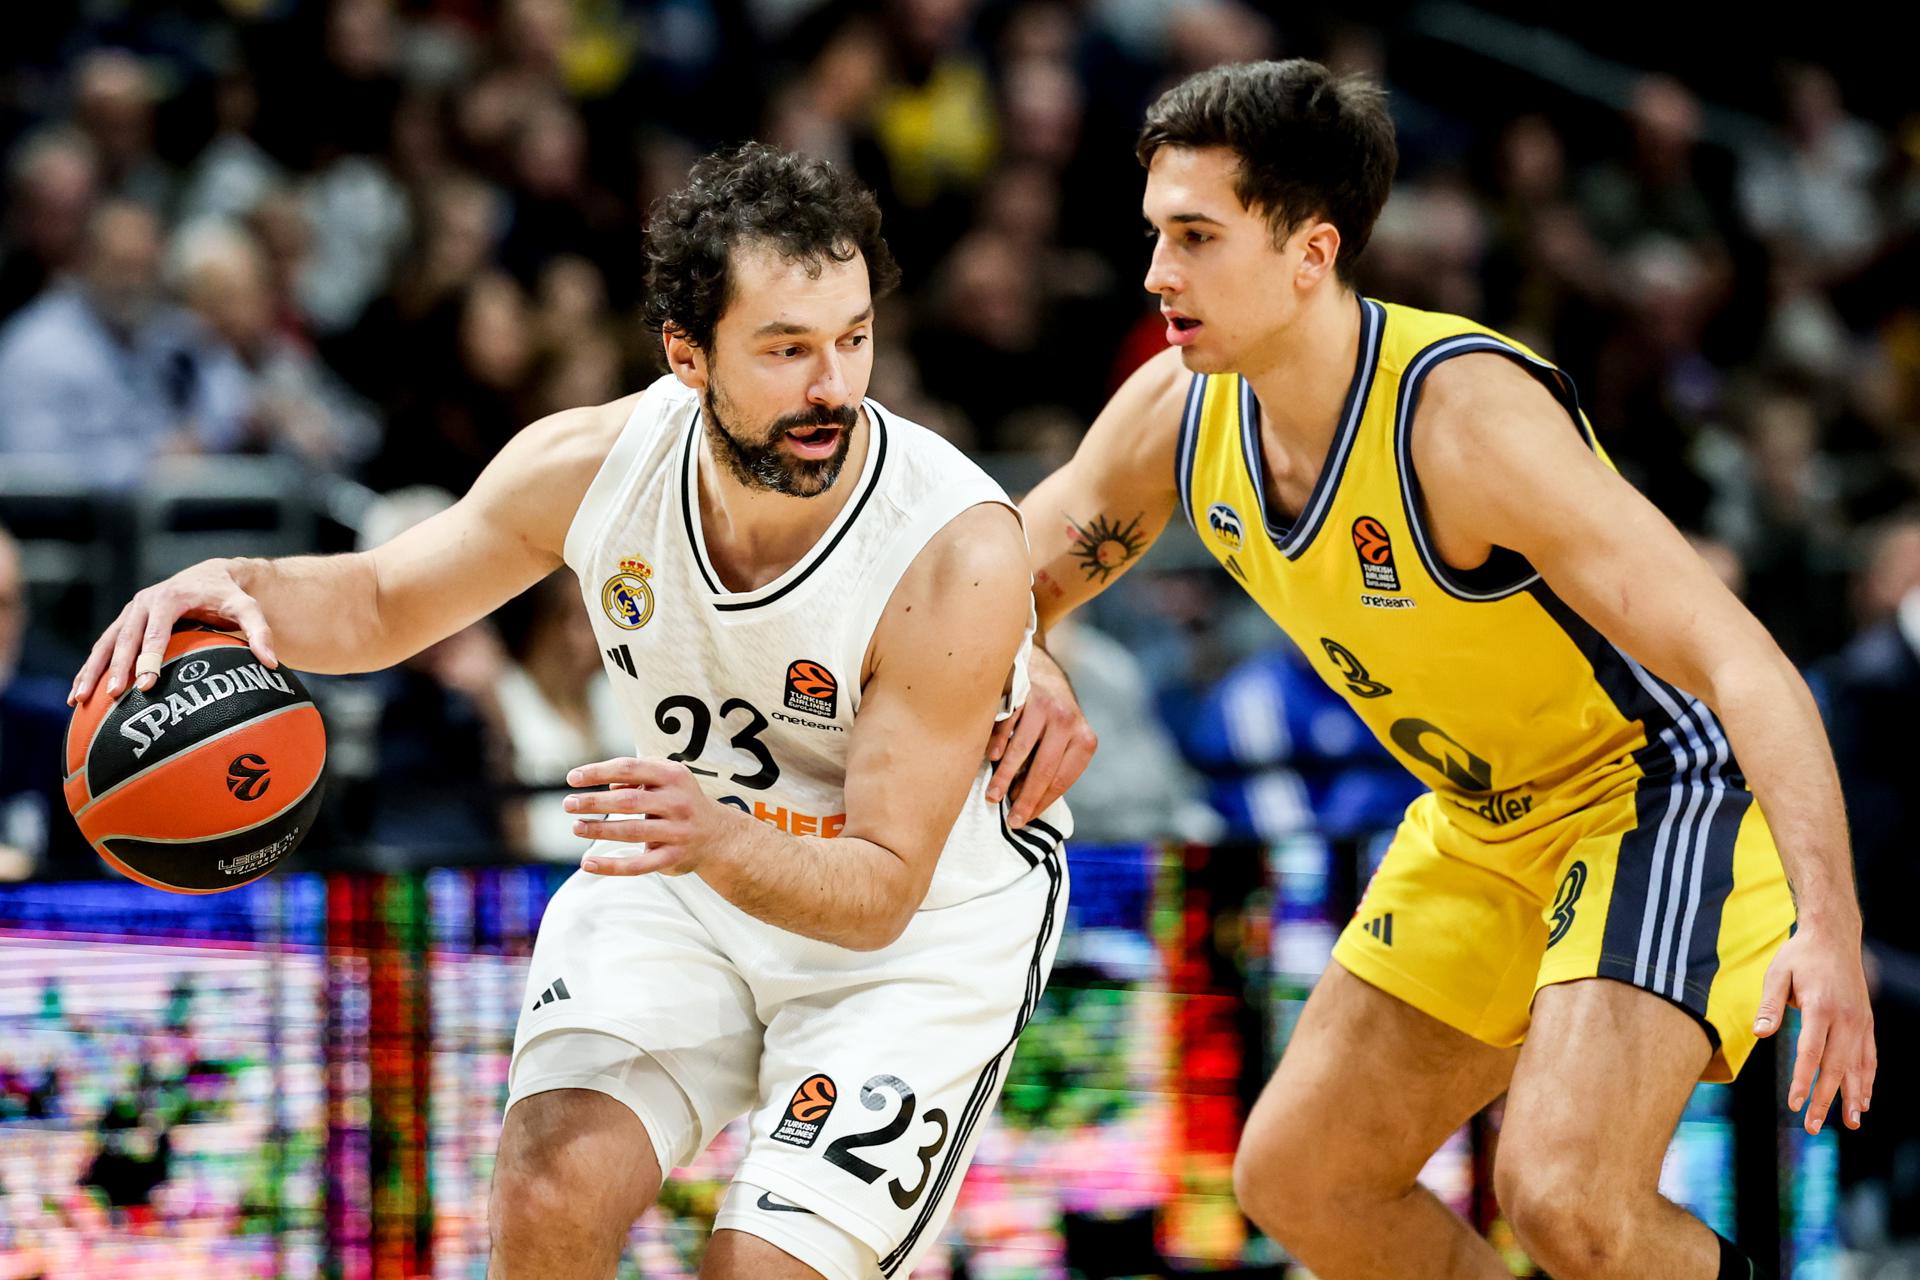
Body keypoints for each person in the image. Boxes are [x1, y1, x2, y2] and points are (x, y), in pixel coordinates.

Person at [69, 143, 1070, 1280]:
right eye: (787, 348)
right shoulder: (593, 466)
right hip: (688, 864)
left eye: (853, 338)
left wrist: (719, 835)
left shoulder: (949, 550)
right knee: (547, 1192)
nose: (833, 385)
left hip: (912, 933)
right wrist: (237, 587)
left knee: (760, 1266)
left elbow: (882, 884)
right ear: (687, 355)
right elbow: (388, 599)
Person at [990, 59, 1873, 1280]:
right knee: (1304, 1175)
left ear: (1311, 252)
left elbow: (1745, 657)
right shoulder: (1176, 413)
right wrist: (1030, 652)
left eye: (1195, 238)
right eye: (1155, 235)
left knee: (1565, 1199)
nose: (1158, 275)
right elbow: (993, 581)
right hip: (1482, 818)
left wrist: (1830, 927)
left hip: (1651, 795)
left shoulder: (1460, 420)